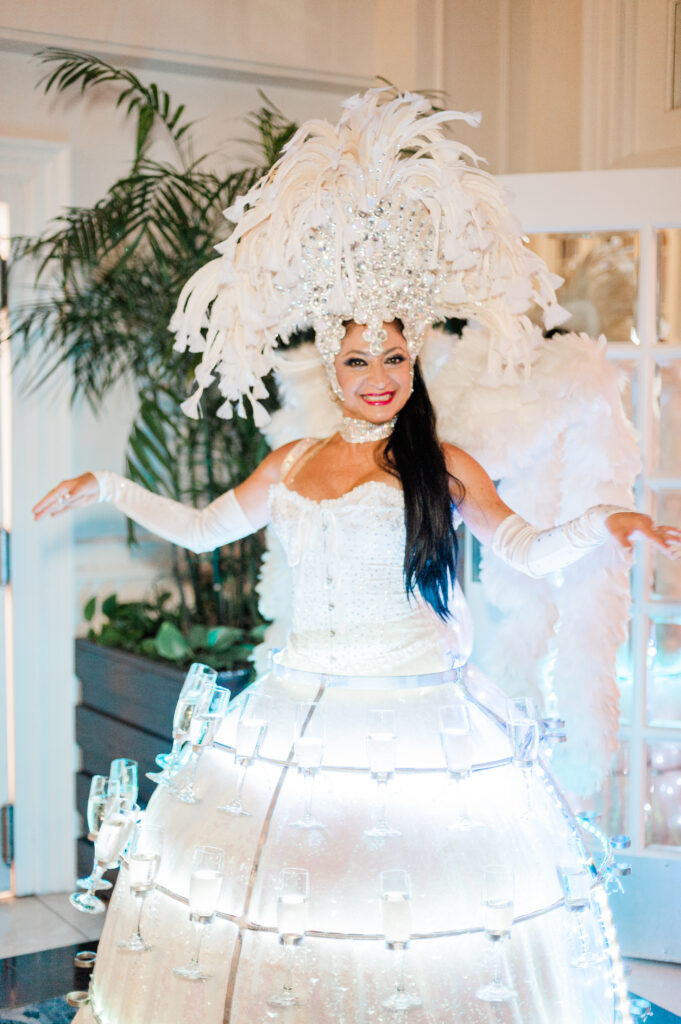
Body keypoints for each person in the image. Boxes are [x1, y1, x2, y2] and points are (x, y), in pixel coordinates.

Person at [33, 88, 680, 1023]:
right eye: (356, 362)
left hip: (422, 713)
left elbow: (527, 549)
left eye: (392, 360)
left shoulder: (441, 461)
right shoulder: (291, 461)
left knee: (417, 924)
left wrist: (607, 521)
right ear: (327, 369)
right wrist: (107, 487)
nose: (377, 380)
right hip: (294, 709)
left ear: (413, 362)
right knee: (286, 913)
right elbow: (206, 526)